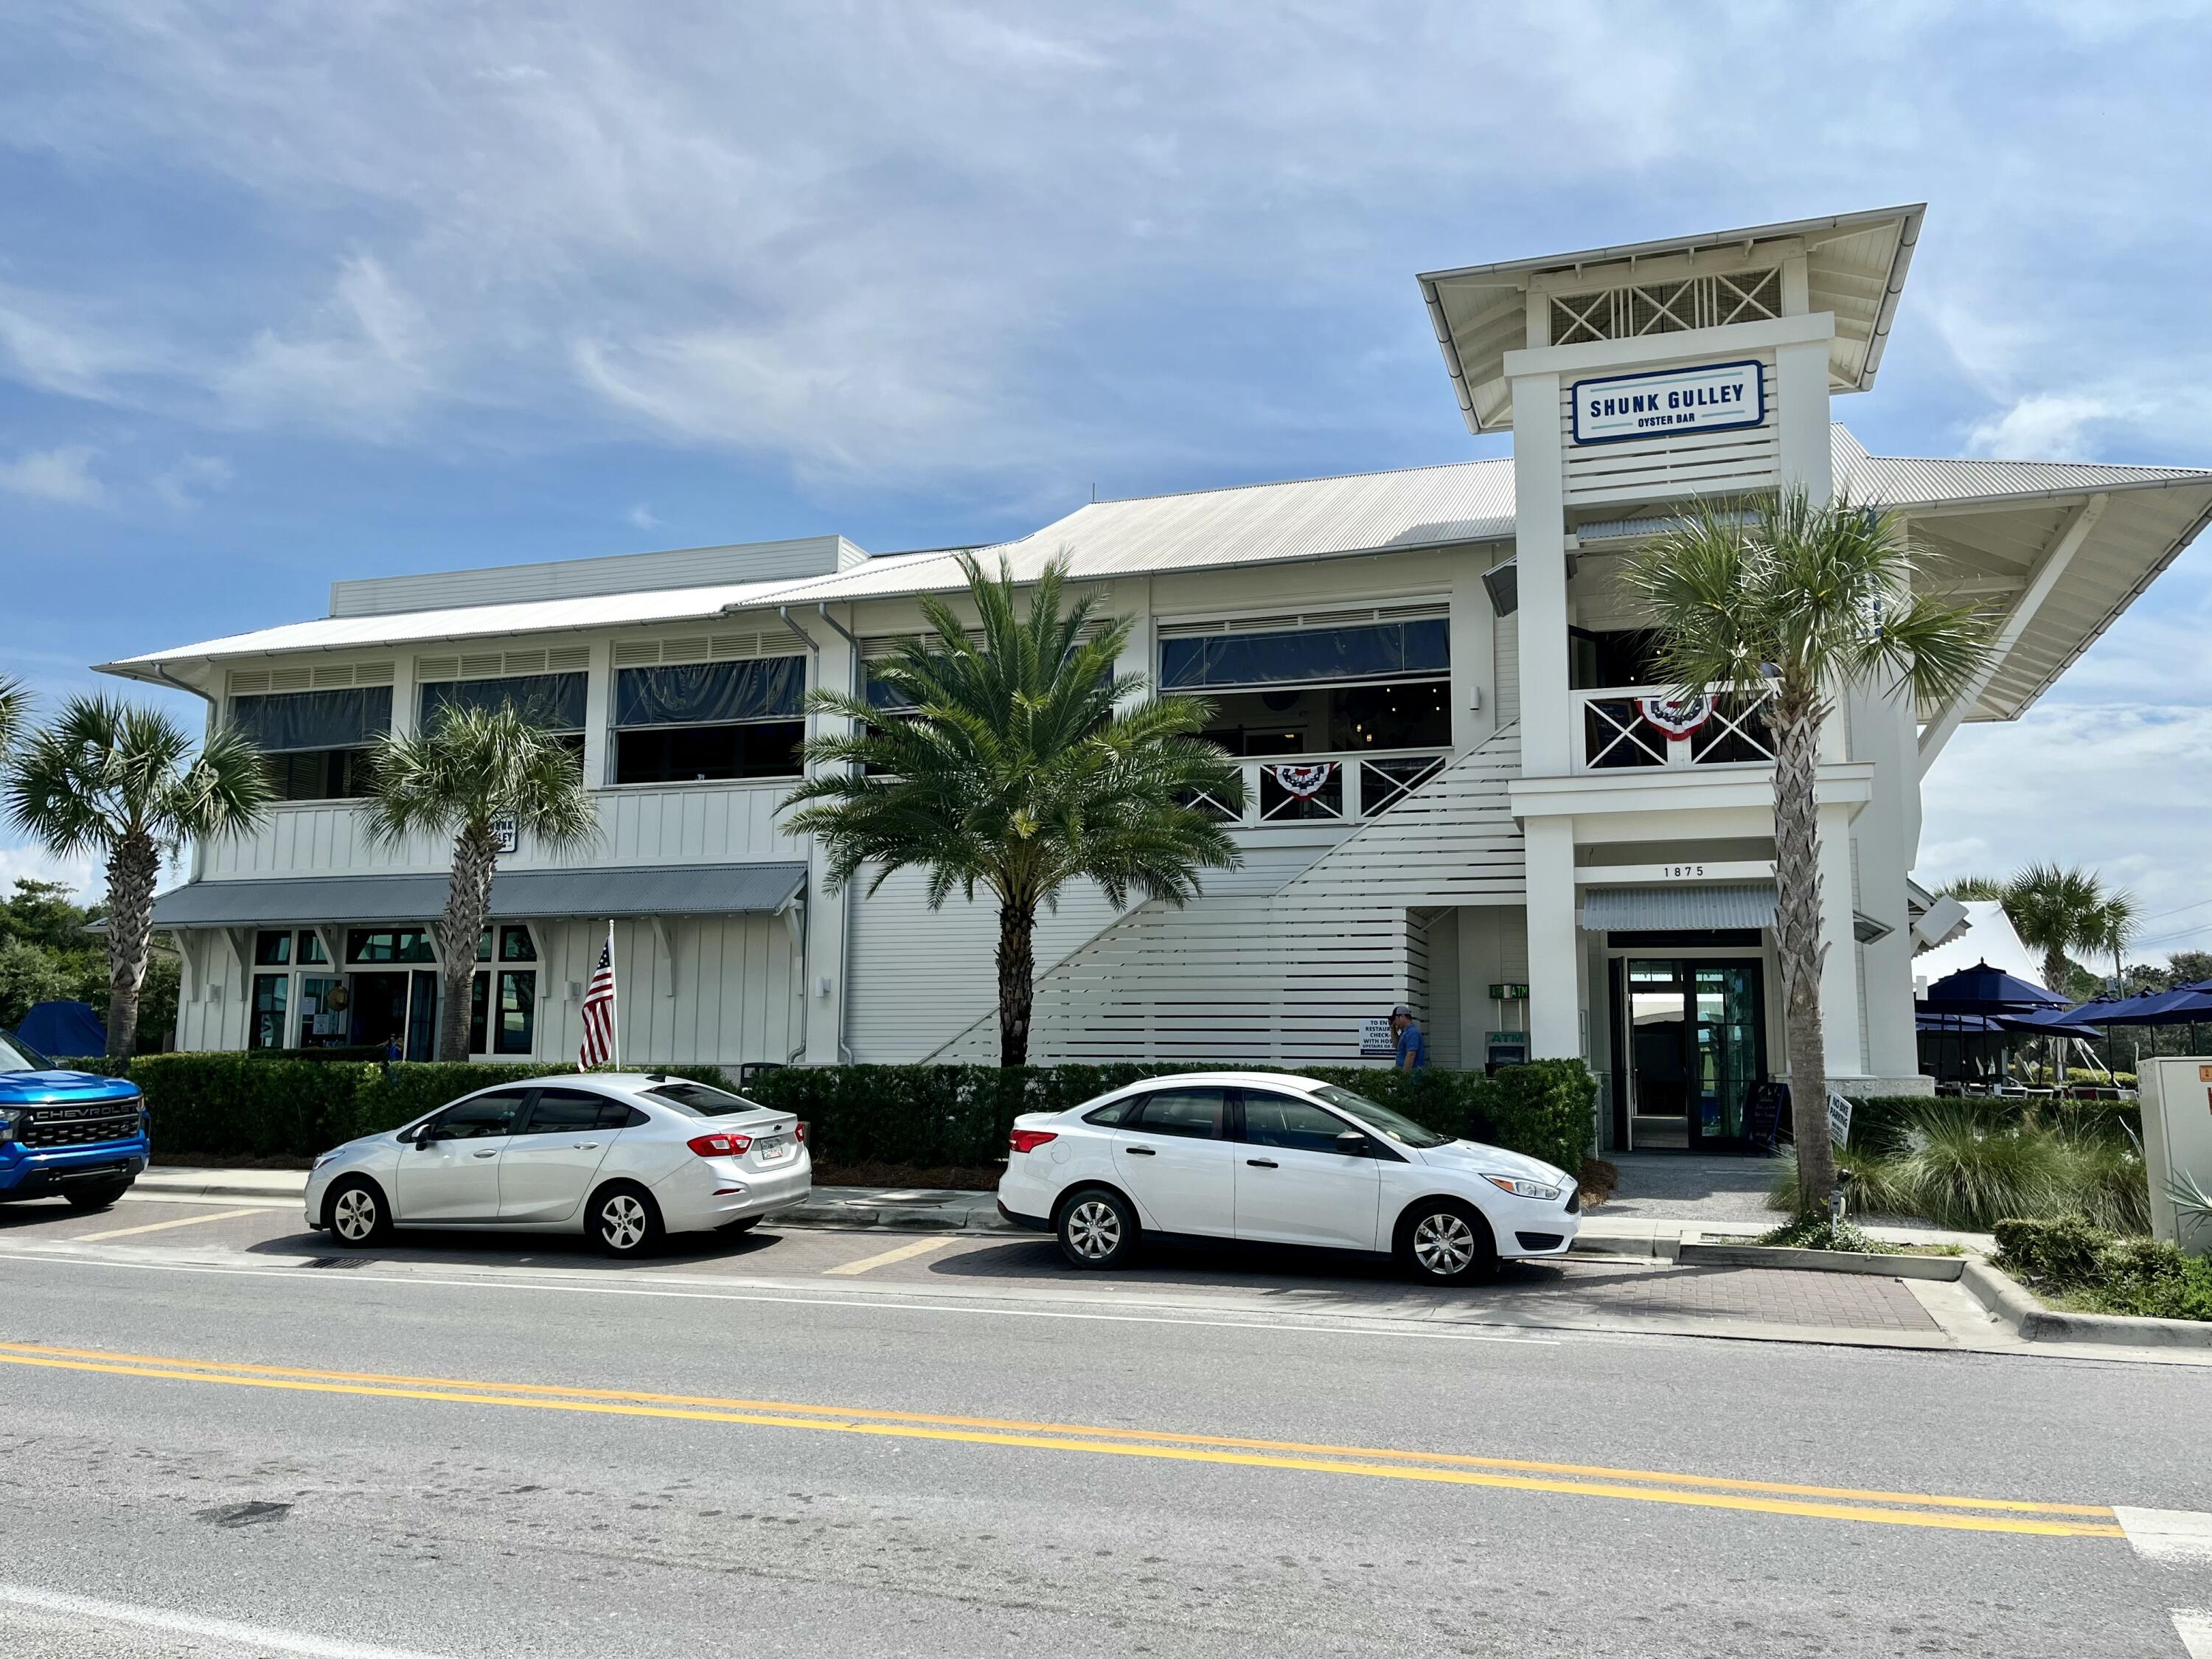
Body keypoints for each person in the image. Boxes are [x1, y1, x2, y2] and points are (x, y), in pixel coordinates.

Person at [1390, 1004, 1425, 1071]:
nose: (1395, 1022)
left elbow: (1411, 1055)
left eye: (1395, 1019)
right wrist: (1393, 1029)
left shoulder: (1412, 1032)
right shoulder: (1405, 1032)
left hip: (1412, 1074)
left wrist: (1404, 1075)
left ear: (1402, 1016)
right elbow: (1397, 1046)